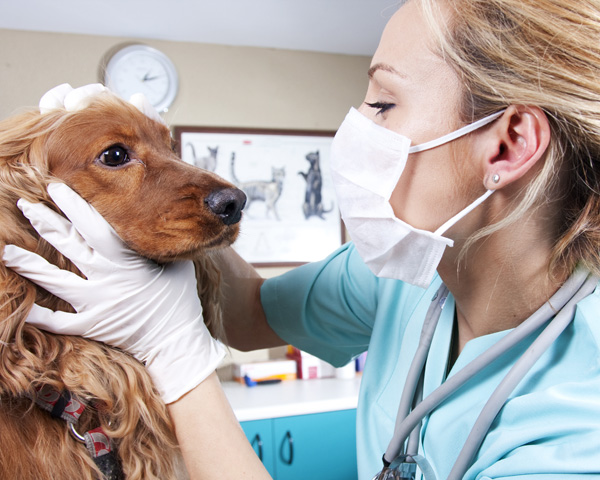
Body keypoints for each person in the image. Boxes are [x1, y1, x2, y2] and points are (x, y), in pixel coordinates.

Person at [5, 0, 600, 478]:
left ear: (509, 143)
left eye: (383, 102)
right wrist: (172, 214)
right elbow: (250, 312)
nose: (356, 125)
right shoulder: (402, 276)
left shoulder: (581, 423)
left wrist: (176, 355)